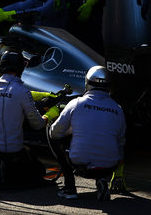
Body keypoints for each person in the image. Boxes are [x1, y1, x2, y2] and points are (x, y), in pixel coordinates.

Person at [0, 50, 59, 189]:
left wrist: (41, 95)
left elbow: (10, 93)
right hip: (12, 151)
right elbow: (37, 124)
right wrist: (51, 114)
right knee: (39, 170)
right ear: (20, 68)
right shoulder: (22, 91)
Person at [48, 66, 126, 201]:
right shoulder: (118, 109)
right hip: (110, 166)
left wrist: (72, 130)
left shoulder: (76, 103)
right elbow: (121, 141)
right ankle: (102, 179)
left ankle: (70, 187)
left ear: (87, 82)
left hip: (81, 166)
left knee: (51, 130)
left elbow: (55, 133)